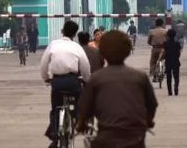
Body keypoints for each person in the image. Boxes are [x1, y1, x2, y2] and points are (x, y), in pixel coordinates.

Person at [76, 30, 158, 148]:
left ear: (103, 52)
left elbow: (84, 107)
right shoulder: (140, 77)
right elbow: (152, 105)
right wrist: (149, 121)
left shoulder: (96, 79)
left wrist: (81, 124)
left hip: (106, 139)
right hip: (135, 139)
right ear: (127, 50)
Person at [40, 20, 91, 148]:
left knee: (55, 109)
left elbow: (43, 64)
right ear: (74, 35)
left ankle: (54, 134)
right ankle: (79, 121)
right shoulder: (77, 47)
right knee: (79, 102)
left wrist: (46, 78)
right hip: (73, 82)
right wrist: (86, 80)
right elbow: (85, 67)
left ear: (62, 31)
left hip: (56, 83)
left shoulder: (53, 45)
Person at [163, 29, 182, 96]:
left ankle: (170, 91)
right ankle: (176, 88)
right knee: (176, 76)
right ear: (175, 35)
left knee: (168, 77)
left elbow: (164, 53)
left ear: (167, 35)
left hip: (168, 62)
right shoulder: (177, 43)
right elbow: (179, 54)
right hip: (176, 61)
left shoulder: (165, 43)